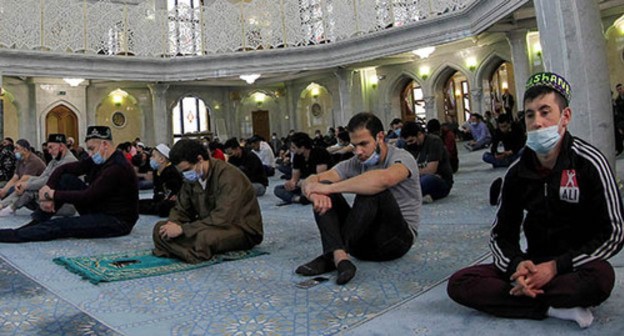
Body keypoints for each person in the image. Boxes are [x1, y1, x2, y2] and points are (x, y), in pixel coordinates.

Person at [447, 72, 624, 328]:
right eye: (530, 115)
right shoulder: (517, 172)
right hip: (534, 262)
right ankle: (553, 307)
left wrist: (555, 267)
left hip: (575, 265)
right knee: (460, 282)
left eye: (545, 112)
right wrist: (517, 267)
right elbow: (501, 234)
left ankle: (529, 298)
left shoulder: (588, 163)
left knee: (601, 278)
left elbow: (615, 233)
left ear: (565, 117)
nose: (537, 122)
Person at [296, 112, 420, 285]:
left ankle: (332, 256)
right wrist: (314, 192)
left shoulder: (401, 157)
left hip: (395, 242)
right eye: (354, 145)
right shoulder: (357, 161)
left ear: (380, 137)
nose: (358, 151)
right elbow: (313, 179)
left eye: (364, 144)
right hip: (359, 245)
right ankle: (339, 257)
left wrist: (329, 187)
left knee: (373, 189)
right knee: (324, 186)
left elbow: (385, 179)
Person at [0, 126, 139, 243]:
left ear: (105, 145)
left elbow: (88, 196)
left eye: (92, 149)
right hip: (99, 207)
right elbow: (63, 169)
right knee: (66, 179)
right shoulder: (99, 159)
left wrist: (53, 194)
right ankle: (34, 224)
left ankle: (14, 235)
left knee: (62, 225)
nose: (90, 154)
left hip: (116, 220)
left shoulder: (117, 167)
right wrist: (49, 189)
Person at [152, 139, 263, 264]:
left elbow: (222, 218)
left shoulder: (229, 176)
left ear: (200, 159)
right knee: (159, 229)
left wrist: (183, 229)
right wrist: (172, 224)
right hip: (206, 224)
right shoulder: (192, 179)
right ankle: (190, 252)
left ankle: (185, 251)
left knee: (204, 239)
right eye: (182, 172)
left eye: (187, 170)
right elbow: (180, 209)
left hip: (239, 228)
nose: (185, 175)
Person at [0, 134, 77, 217]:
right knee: (28, 182)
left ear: (61, 146)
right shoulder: (54, 161)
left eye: (51, 147)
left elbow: (48, 181)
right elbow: (42, 177)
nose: (49, 151)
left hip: (65, 205)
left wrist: (25, 185)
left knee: (29, 189)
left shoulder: (69, 161)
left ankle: (10, 208)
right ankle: (5, 206)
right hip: (49, 196)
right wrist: (25, 183)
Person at [401, 121, 453, 203]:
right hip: (417, 178)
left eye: (411, 141)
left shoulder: (434, 141)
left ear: (419, 134)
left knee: (426, 180)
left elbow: (431, 170)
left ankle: (408, 196)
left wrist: (409, 173)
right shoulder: (408, 146)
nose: (409, 144)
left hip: (440, 180)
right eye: (407, 142)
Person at [274, 132, 331, 206]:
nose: (291, 149)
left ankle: (302, 197)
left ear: (302, 147)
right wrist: (291, 184)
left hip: (319, 183)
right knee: (278, 189)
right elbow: (294, 178)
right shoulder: (297, 156)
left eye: (294, 147)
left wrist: (304, 182)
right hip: (304, 185)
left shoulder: (320, 152)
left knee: (321, 186)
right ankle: (300, 199)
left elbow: (320, 177)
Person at [138, 144, 183, 218]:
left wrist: (164, 197)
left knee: (163, 207)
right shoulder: (156, 171)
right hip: (160, 198)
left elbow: (174, 193)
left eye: (153, 156)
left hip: (172, 202)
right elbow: (157, 190)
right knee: (139, 202)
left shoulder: (171, 172)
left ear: (162, 159)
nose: (150, 158)